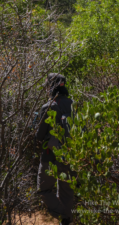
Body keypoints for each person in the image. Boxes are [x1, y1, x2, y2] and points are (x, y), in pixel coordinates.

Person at [36, 73, 74, 225]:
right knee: (66, 191)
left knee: (43, 190)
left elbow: (39, 136)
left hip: (49, 157)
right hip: (71, 155)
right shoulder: (73, 104)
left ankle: (64, 215)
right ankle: (67, 220)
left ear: (51, 87)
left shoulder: (48, 106)